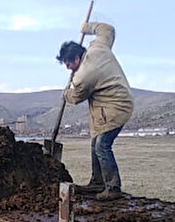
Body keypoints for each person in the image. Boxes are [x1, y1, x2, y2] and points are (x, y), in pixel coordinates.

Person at [57, 22, 134, 201]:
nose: (68, 67)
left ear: (77, 59)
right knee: (95, 143)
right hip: (113, 103)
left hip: (115, 107)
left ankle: (113, 187)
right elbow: (107, 30)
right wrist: (87, 28)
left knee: (102, 145)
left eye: (68, 63)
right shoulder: (98, 46)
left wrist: (65, 93)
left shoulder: (85, 74)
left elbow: (75, 98)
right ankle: (98, 182)